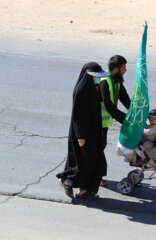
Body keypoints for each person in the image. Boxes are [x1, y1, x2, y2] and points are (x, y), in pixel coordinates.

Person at [56, 62, 110, 199]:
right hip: (83, 134)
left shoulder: (93, 87)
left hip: (93, 132)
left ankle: (85, 191)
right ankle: (68, 181)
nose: (96, 79)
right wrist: (81, 136)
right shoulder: (81, 91)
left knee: (93, 160)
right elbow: (78, 116)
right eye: (94, 76)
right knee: (85, 161)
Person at [98, 55, 131, 186]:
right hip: (95, 121)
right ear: (116, 70)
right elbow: (110, 107)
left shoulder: (116, 80)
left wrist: (135, 112)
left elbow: (124, 98)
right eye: (123, 68)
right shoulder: (104, 82)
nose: (125, 70)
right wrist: (126, 121)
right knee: (98, 148)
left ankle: (96, 176)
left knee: (100, 147)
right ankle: (96, 177)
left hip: (103, 122)